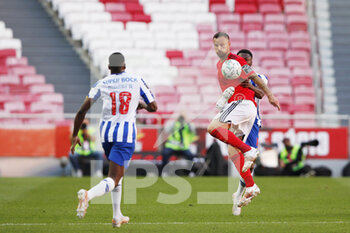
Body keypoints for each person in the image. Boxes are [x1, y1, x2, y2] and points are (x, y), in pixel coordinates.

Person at [70, 52, 157, 228]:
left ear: (109, 68)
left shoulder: (101, 83)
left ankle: (117, 216)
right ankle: (88, 194)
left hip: (107, 135)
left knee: (118, 175)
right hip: (125, 137)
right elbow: (154, 107)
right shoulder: (136, 80)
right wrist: (141, 105)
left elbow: (81, 112)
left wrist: (74, 135)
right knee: (114, 177)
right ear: (124, 66)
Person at [207, 32, 280, 208]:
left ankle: (249, 151)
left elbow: (255, 78)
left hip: (244, 107)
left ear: (229, 44)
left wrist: (270, 95)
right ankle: (250, 186)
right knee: (232, 150)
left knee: (213, 128)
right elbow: (231, 89)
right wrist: (224, 99)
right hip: (240, 109)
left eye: (222, 45)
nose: (219, 48)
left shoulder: (237, 62)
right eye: (216, 45)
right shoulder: (221, 65)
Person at [231, 49, 268, 216]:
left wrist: (250, 85)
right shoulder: (230, 78)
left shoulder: (260, 78)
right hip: (237, 121)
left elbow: (262, 94)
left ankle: (238, 193)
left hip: (253, 122)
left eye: (248, 60)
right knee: (237, 156)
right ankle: (240, 193)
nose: (245, 63)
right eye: (242, 60)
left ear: (251, 62)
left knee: (250, 163)